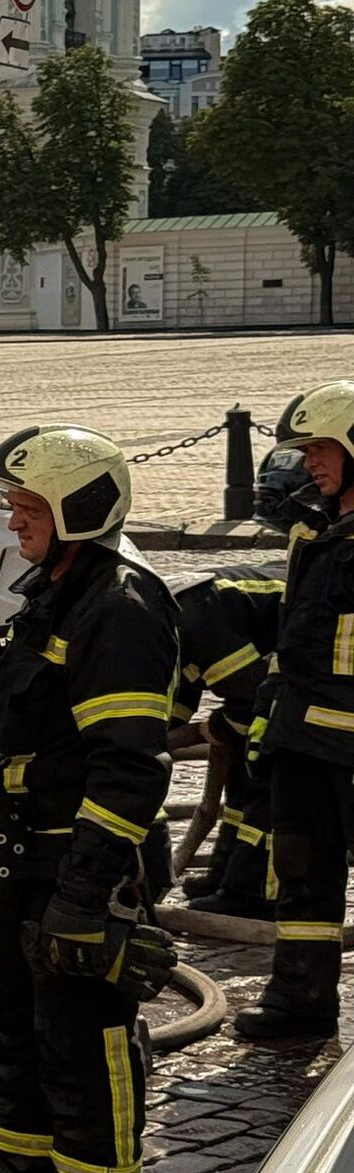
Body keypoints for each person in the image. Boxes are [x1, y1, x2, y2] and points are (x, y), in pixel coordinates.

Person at [0, 424, 179, 1173]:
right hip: (32, 853)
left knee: (87, 1041)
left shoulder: (120, 608)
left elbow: (128, 769)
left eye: (30, 507)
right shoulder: (60, 591)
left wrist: (85, 893)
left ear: (82, 510)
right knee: (14, 1022)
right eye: (13, 505)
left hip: (87, 863)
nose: (14, 524)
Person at [234, 381, 354, 1039]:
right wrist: (268, 724)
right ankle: (300, 999)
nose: (311, 461)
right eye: (307, 450)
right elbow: (295, 638)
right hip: (304, 742)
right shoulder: (314, 527)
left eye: (323, 448)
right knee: (302, 874)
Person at [169, 564, 283, 920]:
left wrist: (212, 729)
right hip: (277, 675)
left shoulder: (197, 623)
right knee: (239, 766)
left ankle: (252, 893)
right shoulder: (166, 628)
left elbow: (251, 699)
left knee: (261, 773)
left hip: (302, 683)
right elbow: (178, 695)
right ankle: (226, 874)